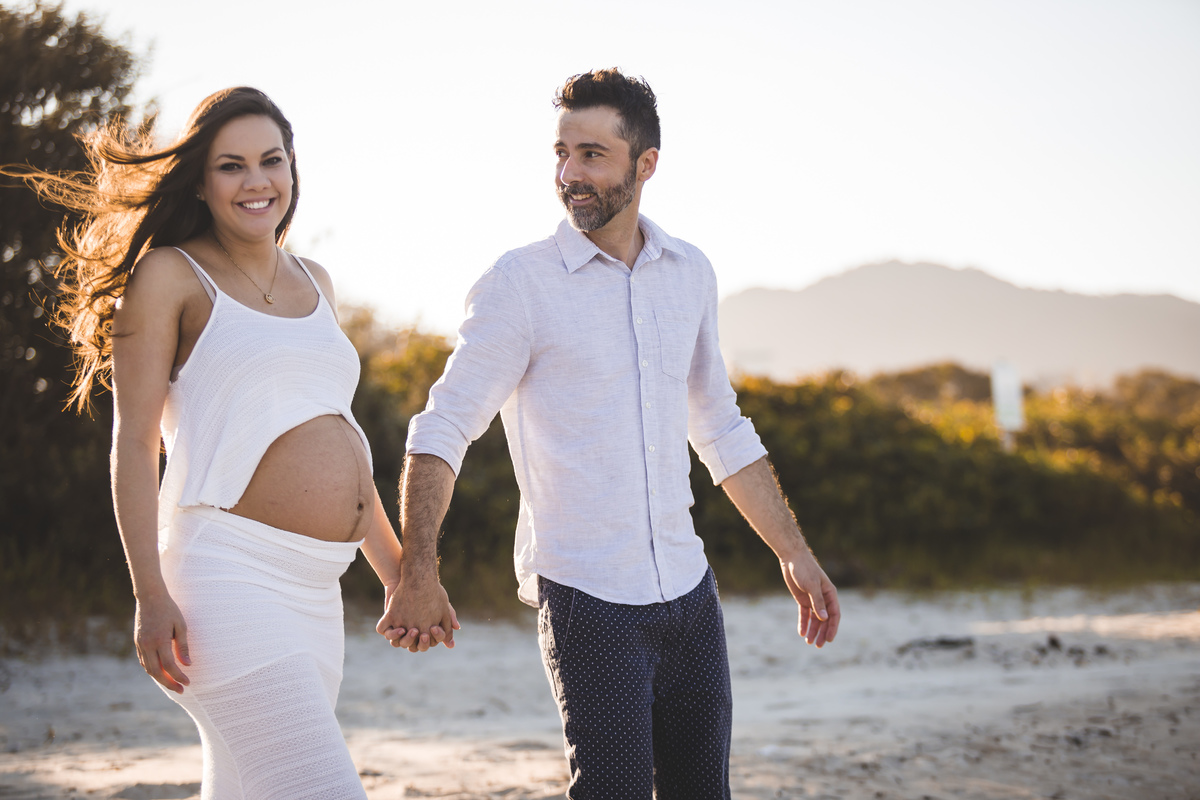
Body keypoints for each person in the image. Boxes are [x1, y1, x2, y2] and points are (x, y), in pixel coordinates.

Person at [379, 69, 841, 799]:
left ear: (645, 164)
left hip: (689, 591)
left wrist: (795, 552)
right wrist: (418, 570)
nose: (570, 173)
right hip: (586, 595)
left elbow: (720, 426)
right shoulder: (519, 283)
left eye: (592, 154)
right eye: (561, 153)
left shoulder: (689, 273)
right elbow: (442, 428)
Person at [6, 87, 446, 800]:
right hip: (227, 583)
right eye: (231, 166)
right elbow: (133, 444)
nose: (255, 181)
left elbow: (337, 440)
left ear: (292, 167)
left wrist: (401, 576)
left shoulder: (316, 280)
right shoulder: (171, 276)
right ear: (201, 183)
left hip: (316, 593)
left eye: (271, 161)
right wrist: (149, 592)